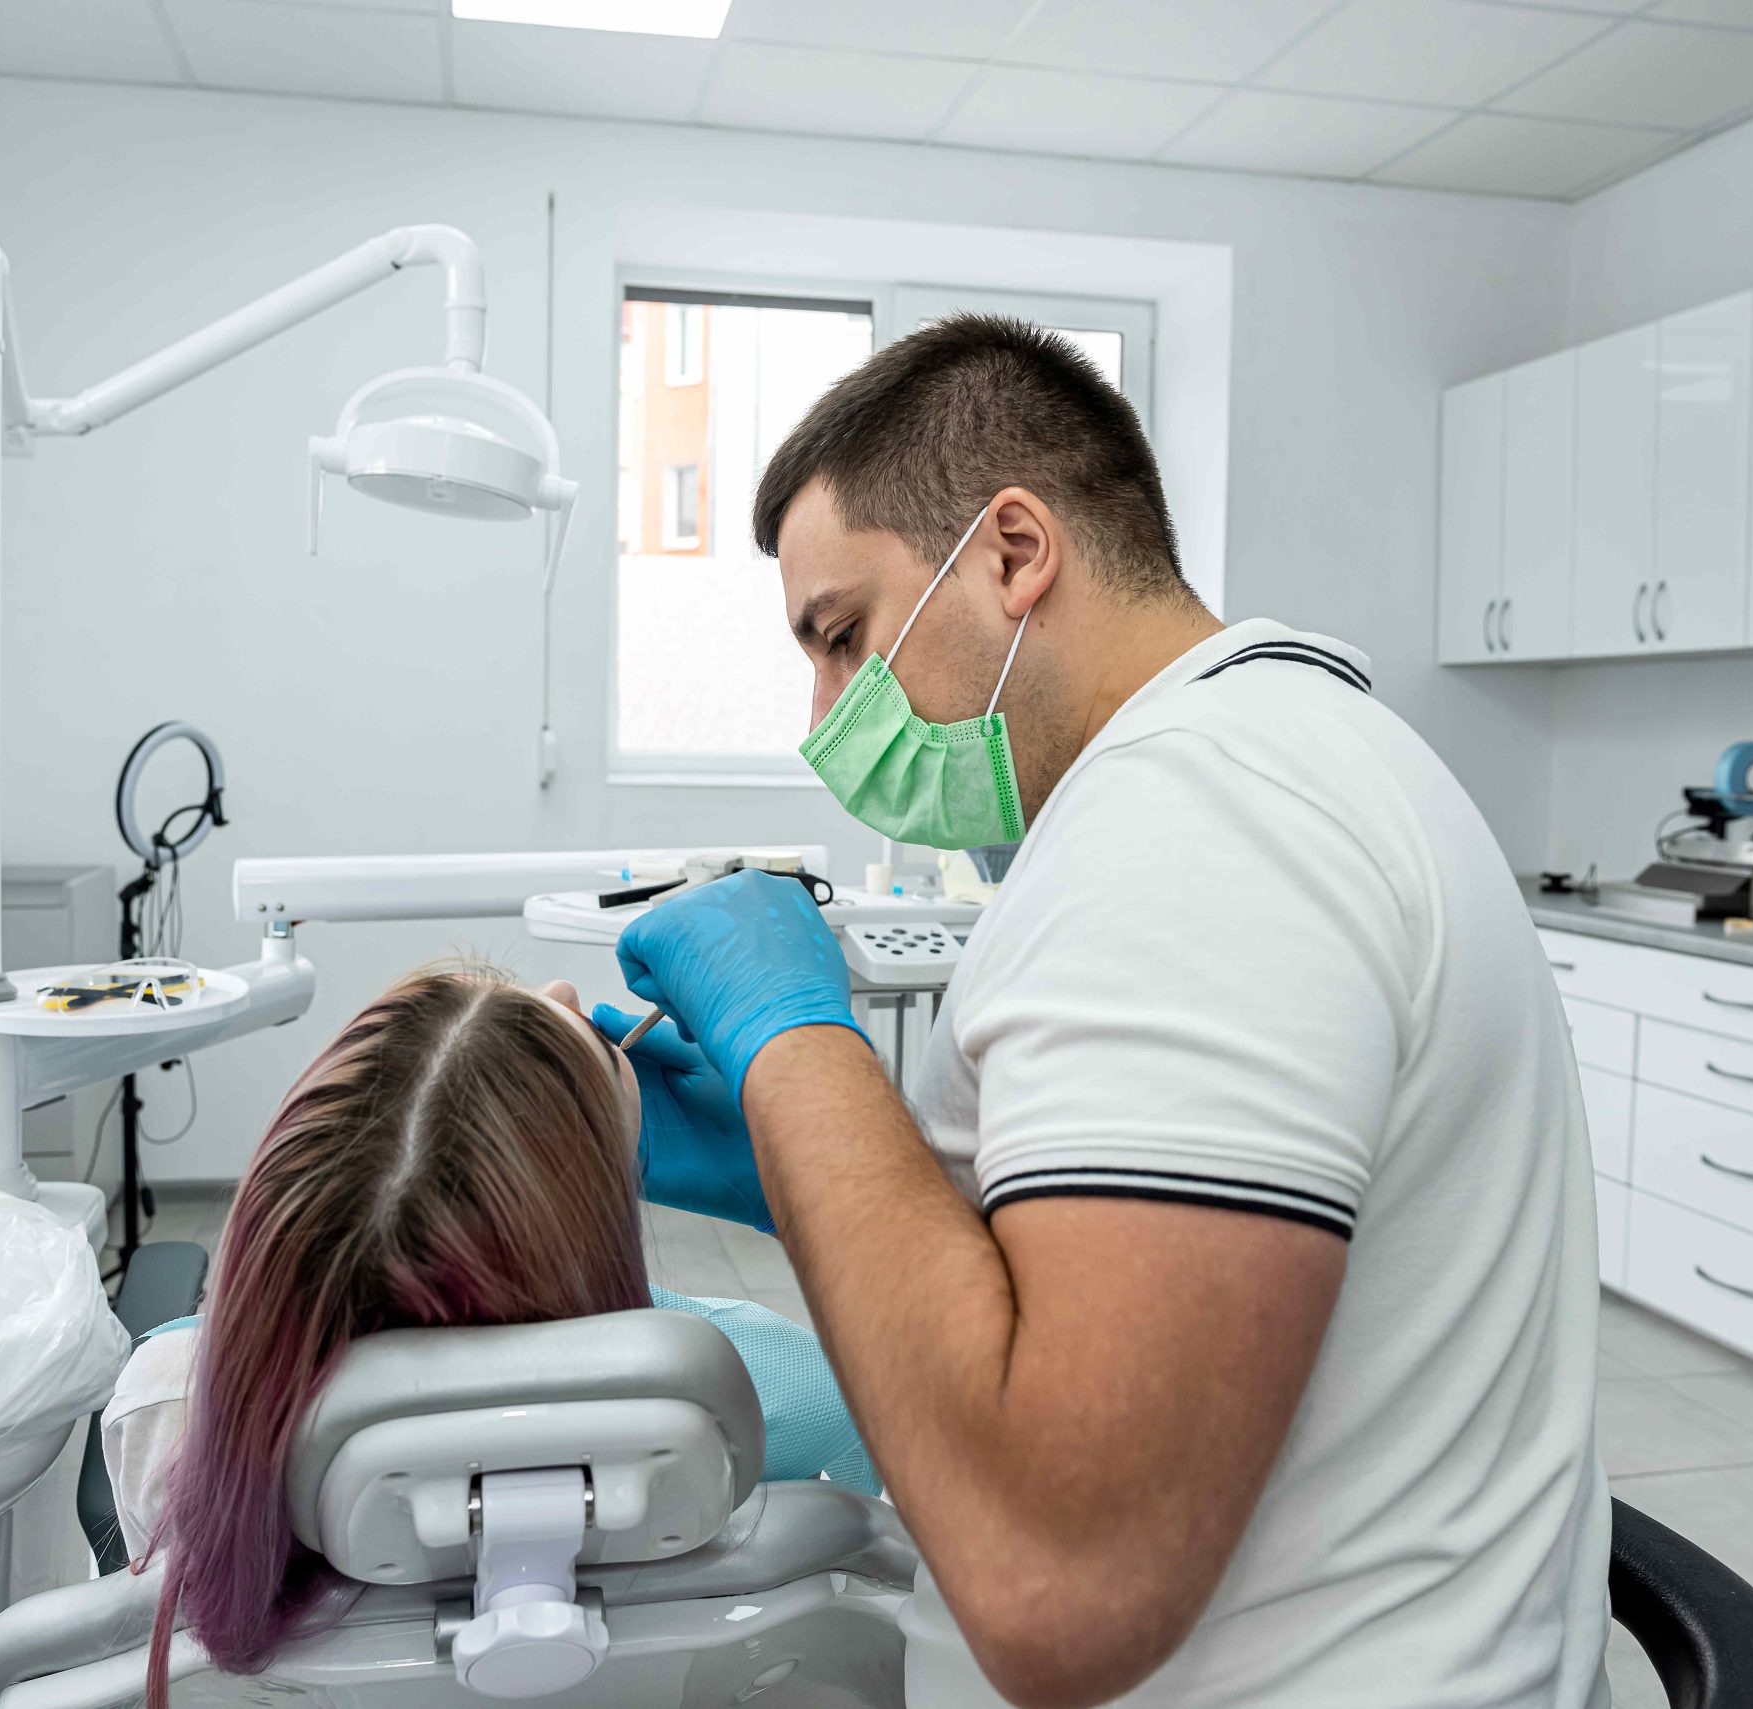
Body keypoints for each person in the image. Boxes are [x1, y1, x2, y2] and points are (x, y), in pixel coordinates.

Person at [596, 316, 1609, 1709]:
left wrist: (795, 1047)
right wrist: (809, 1162)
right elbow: (1094, 1290)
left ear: (1015, 552)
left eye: (844, 637)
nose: (824, 714)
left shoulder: (1200, 817)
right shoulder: (1263, 761)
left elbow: (1058, 1579)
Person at [111, 963, 876, 1707]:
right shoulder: (771, 1386)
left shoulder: (169, 1397)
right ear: (587, 1207)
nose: (566, 992)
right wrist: (799, 1191)